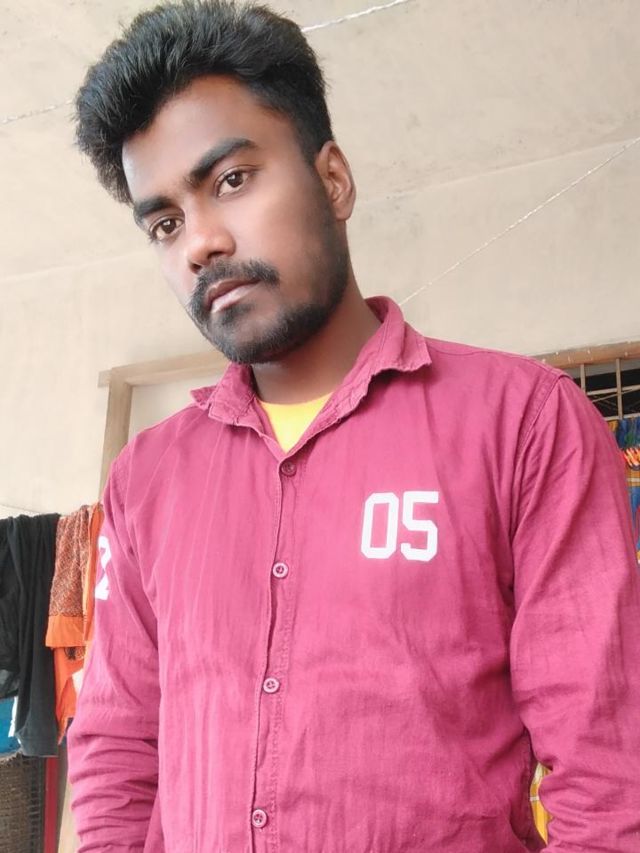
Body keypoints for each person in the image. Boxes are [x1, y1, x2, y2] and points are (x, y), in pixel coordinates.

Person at [67, 2, 640, 851]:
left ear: (332, 179)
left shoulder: (523, 422)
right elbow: (118, 750)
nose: (200, 243)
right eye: (165, 222)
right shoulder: (146, 479)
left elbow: (609, 774)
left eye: (232, 180)